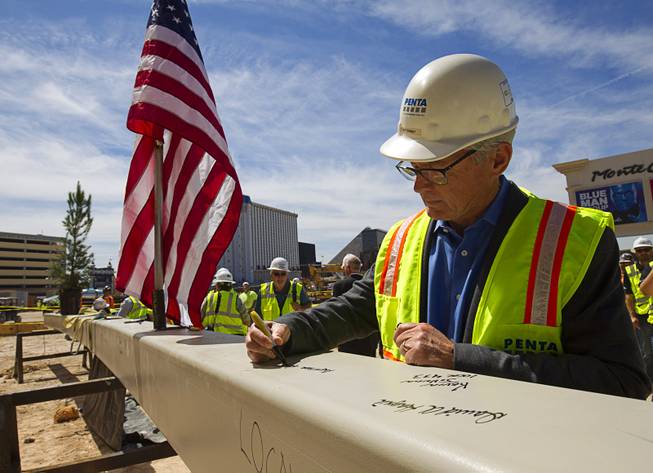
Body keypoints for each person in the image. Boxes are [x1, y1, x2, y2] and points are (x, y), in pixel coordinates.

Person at [246, 53, 650, 399]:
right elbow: (350, 311)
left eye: (435, 171)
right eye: (412, 170)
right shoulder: (404, 240)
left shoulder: (572, 243)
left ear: (497, 159)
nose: (419, 186)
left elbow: (620, 381)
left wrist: (460, 359)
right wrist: (287, 330)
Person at [335, 254, 380, 357]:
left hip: (348, 340)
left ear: (347, 268)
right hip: (370, 340)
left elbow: (338, 314)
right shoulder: (373, 284)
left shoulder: (340, 285)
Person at [628, 237, 653, 380]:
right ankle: (649, 382)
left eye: (646, 249)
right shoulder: (630, 270)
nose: (643, 253)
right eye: (640, 250)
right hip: (642, 317)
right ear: (635, 253)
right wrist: (632, 315)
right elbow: (629, 296)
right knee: (646, 353)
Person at [201, 268, 251, 335]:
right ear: (230, 285)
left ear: (217, 285)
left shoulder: (209, 297)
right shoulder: (236, 298)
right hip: (236, 336)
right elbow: (247, 321)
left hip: (214, 335)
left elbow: (200, 316)